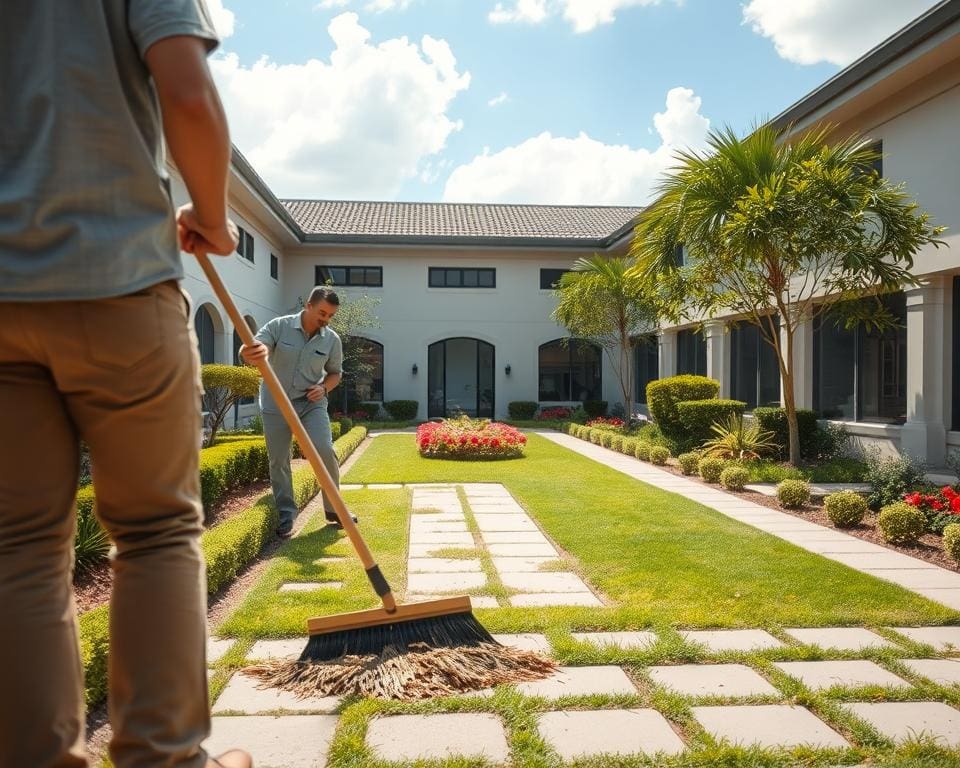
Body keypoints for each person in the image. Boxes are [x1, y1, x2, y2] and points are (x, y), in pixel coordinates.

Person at [0, 2, 251, 767]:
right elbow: (186, 90)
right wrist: (212, 215)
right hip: (120, 281)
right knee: (155, 531)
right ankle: (164, 758)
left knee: (17, 548)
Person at [240, 287, 354, 536]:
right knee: (279, 459)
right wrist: (249, 352)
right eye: (322, 312)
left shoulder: (331, 339)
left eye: (330, 315)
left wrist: (324, 388)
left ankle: (335, 510)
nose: (325, 319)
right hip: (275, 403)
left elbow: (336, 373)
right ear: (309, 305)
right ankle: (286, 515)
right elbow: (255, 349)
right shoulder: (278, 326)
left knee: (325, 450)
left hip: (310, 405)